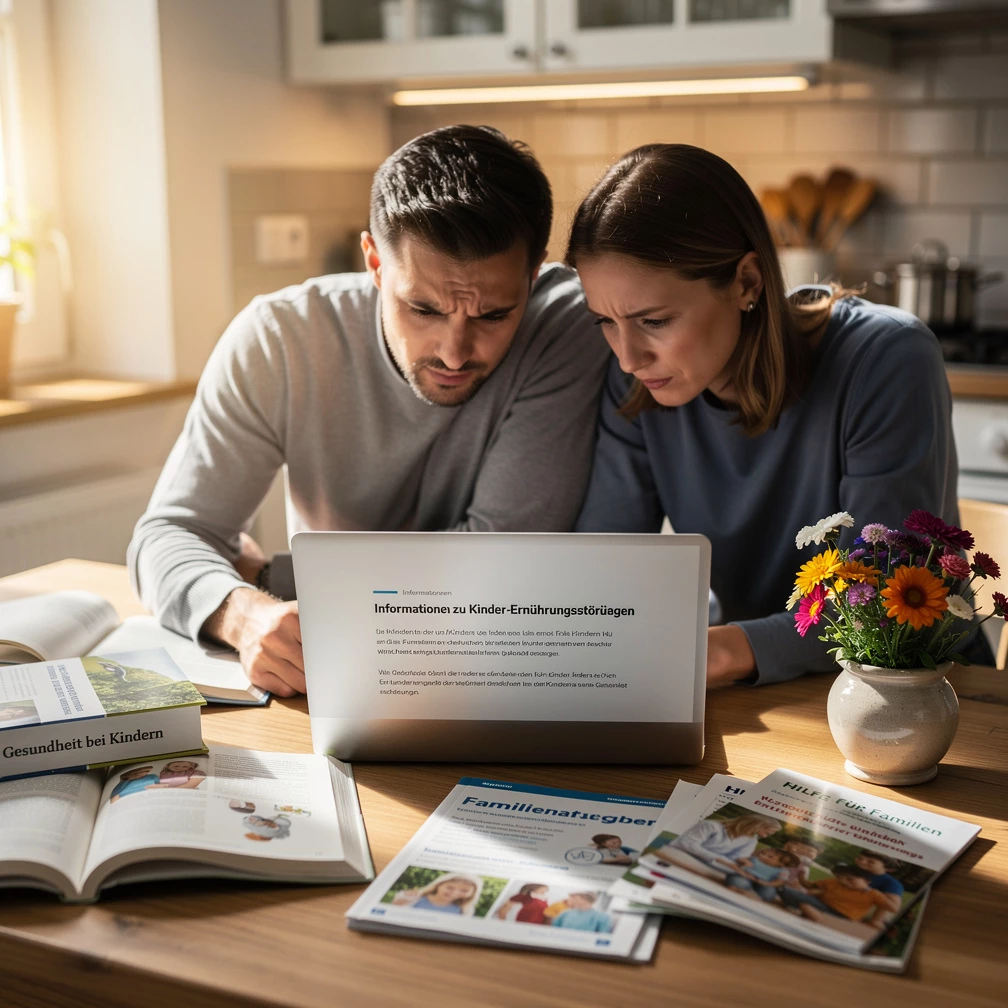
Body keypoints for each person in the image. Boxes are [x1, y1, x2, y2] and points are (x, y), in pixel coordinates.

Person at [129, 125, 609, 698]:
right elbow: (169, 533)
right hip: (328, 686)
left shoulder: (566, 324)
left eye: (493, 315)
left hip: (491, 678)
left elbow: (495, 568)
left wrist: (271, 576)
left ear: (532, 277)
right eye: (423, 308)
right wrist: (245, 614)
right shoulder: (280, 339)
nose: (455, 352)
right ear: (375, 263)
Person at [568, 143, 982, 687]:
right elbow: (604, 569)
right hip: (755, 686)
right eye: (605, 321)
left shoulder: (886, 358)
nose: (627, 355)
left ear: (747, 282)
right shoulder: (639, 378)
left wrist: (718, 651)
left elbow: (889, 600)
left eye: (655, 320)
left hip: (912, 688)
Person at [653, 813, 780, 877]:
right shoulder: (711, 826)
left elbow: (734, 859)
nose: (765, 836)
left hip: (708, 862)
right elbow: (687, 844)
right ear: (757, 825)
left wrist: (742, 862)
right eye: (766, 832)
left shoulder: (751, 840)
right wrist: (721, 860)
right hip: (682, 852)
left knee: (738, 875)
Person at [780, 863, 892, 930]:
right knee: (787, 891)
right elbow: (808, 885)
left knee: (804, 903)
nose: (844, 882)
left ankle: (817, 917)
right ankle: (810, 912)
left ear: (866, 882)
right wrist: (801, 876)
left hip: (844, 916)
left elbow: (892, 907)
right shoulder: (833, 882)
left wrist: (881, 897)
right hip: (823, 906)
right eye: (840, 878)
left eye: (850, 879)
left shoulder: (872, 893)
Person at [724, 846, 800, 902]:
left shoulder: (783, 871)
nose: (762, 856)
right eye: (764, 854)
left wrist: (765, 883)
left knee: (769, 893)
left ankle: (750, 894)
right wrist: (744, 861)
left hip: (764, 883)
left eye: (770, 857)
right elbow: (739, 860)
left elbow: (779, 882)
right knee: (738, 881)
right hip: (745, 876)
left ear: (781, 864)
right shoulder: (755, 859)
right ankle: (743, 890)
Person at [393, 874, 481, 915]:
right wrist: (402, 900)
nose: (455, 893)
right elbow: (395, 909)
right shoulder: (418, 898)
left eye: (464, 891)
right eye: (450, 888)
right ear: (438, 885)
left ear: (472, 894)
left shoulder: (463, 910)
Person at [854, 849, 905, 913]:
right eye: (860, 858)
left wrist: (867, 889)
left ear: (889, 868)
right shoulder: (852, 872)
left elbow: (894, 908)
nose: (862, 862)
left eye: (871, 862)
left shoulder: (891, 883)